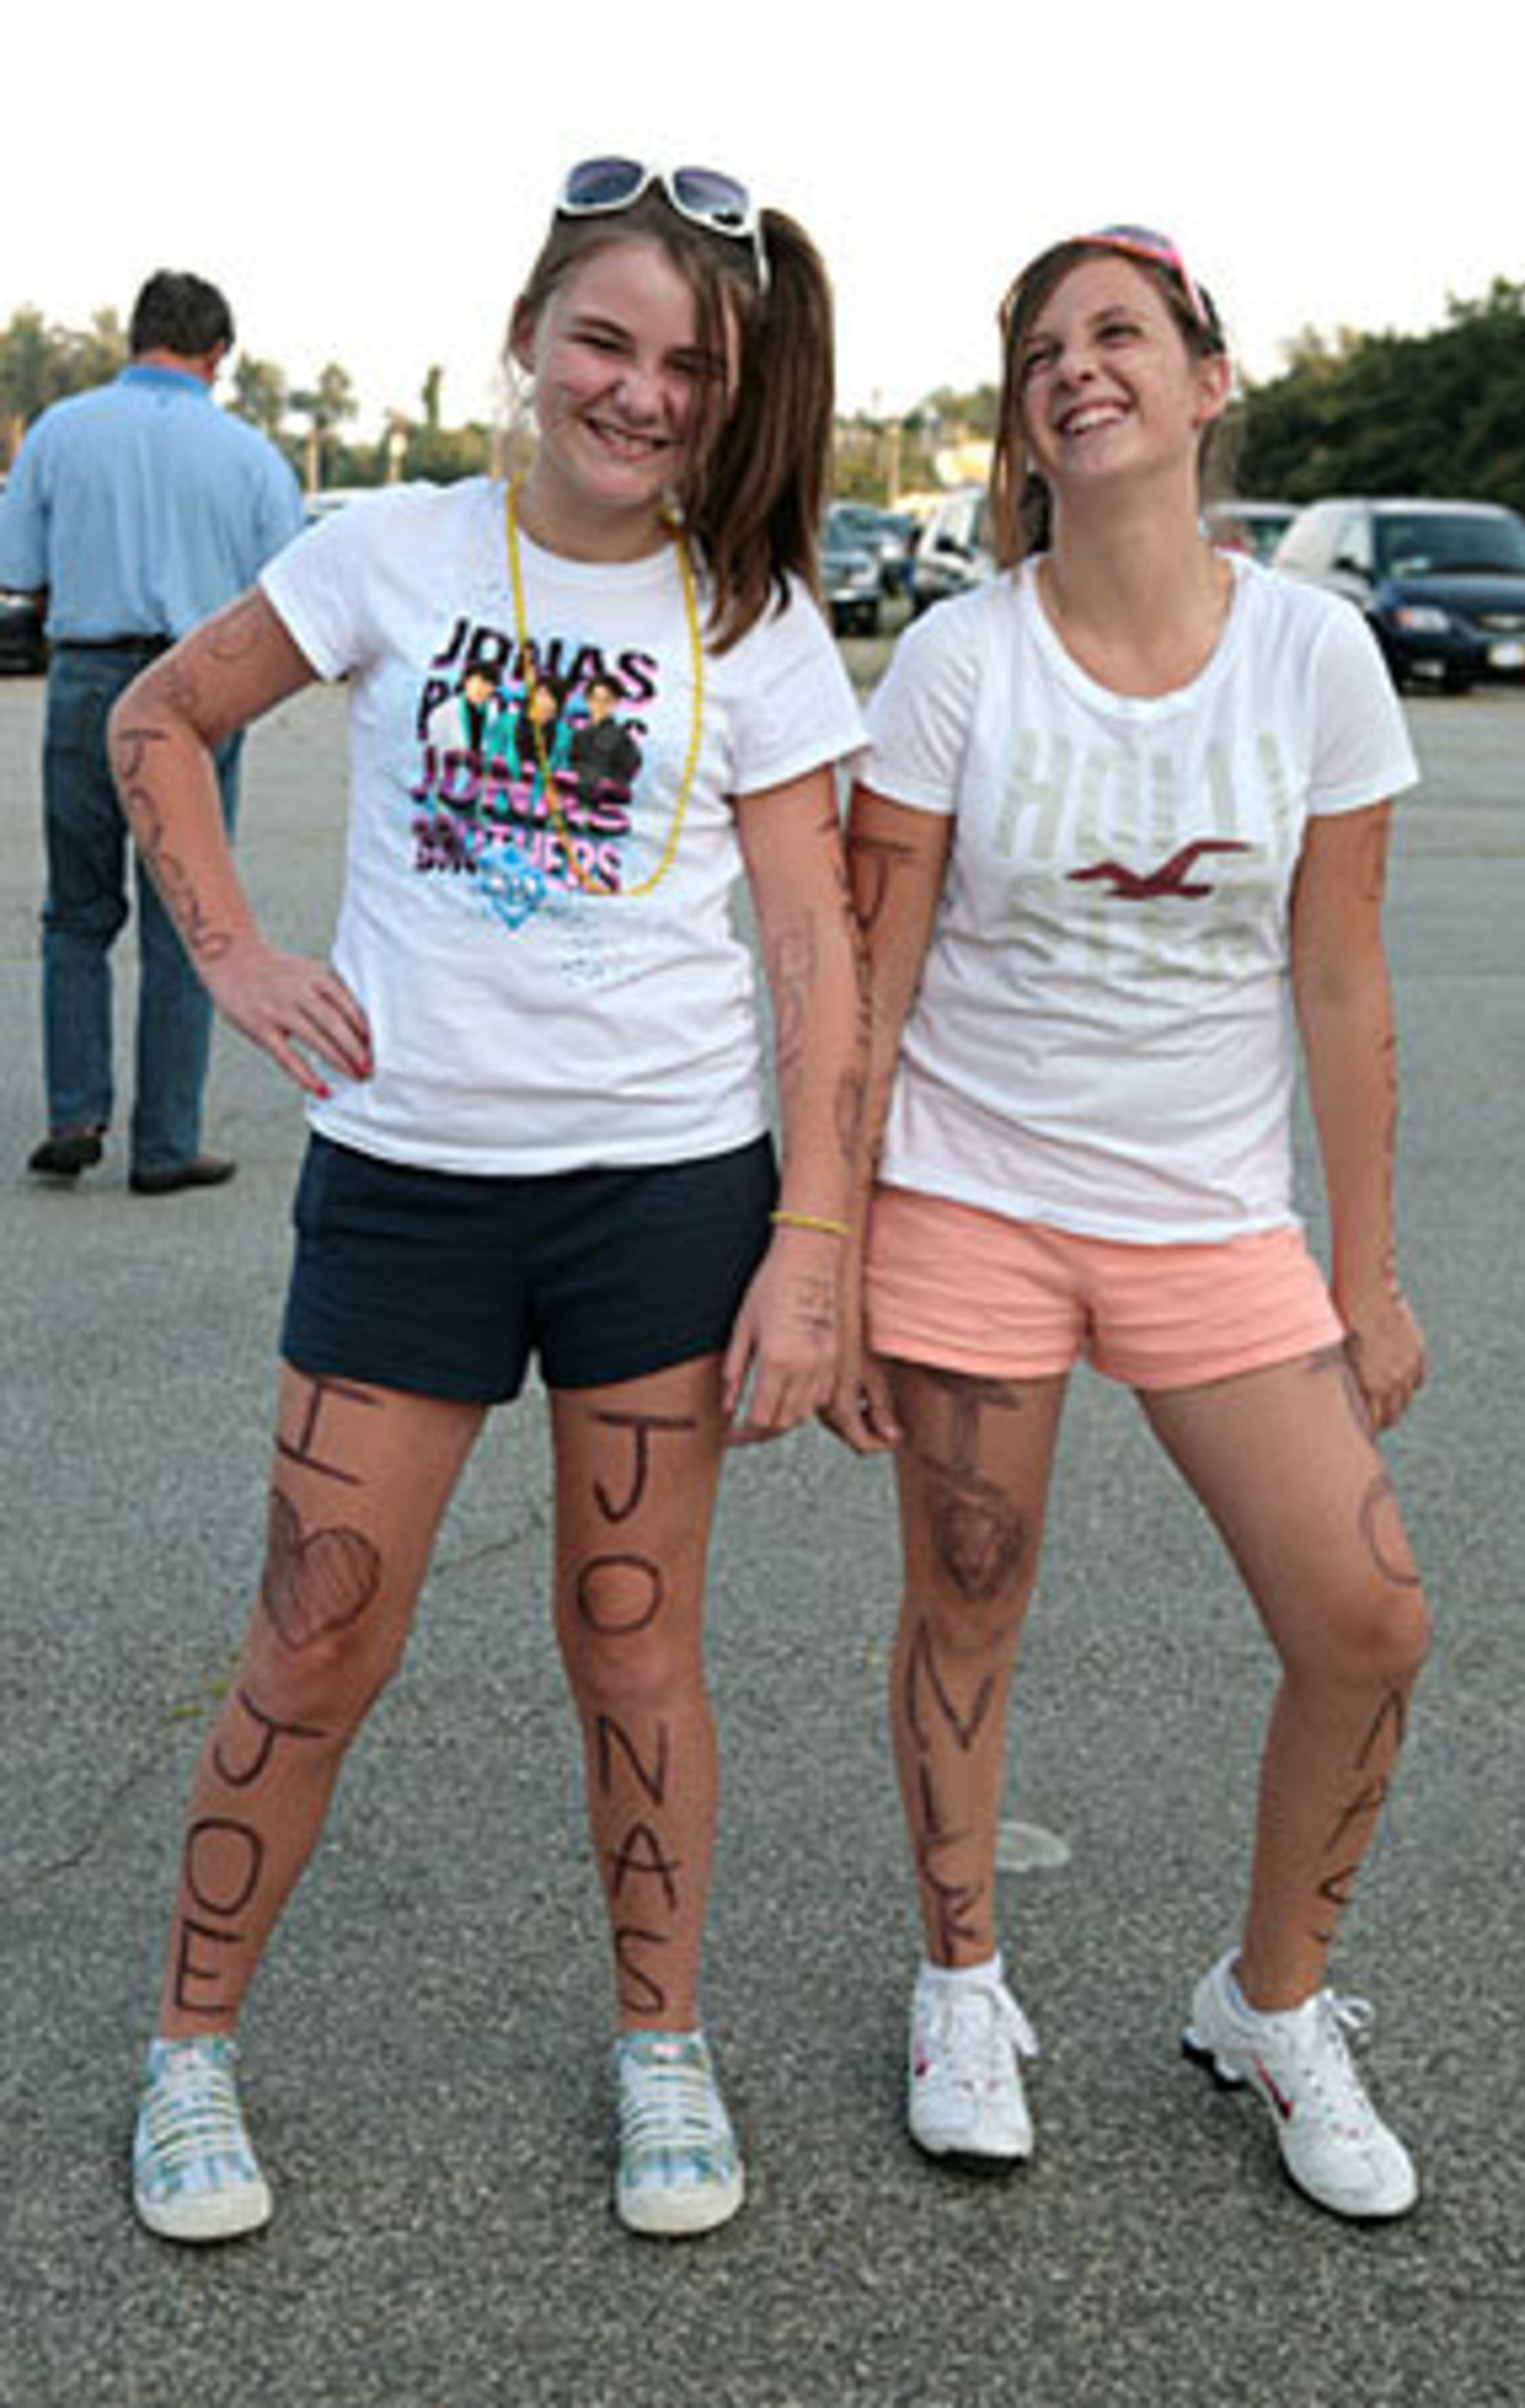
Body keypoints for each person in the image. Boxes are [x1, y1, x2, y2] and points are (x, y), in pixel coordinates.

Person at [109, 158, 865, 2245]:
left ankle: (659, 2040)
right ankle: (189, 2049)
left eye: (687, 366)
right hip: (411, 1189)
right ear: (530, 338)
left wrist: (815, 1245)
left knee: (634, 1649)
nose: (638, 394)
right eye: (605, 342)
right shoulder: (389, 550)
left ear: (728, 396)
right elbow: (158, 719)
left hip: (665, 1198)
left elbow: (816, 947)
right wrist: (239, 958)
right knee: (317, 1629)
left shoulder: (756, 615)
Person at [832, 225, 1431, 2221]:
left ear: (1201, 381)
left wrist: (1362, 1266)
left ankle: (1269, 2002)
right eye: (1041, 349)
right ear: (1023, 417)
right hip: (974, 1193)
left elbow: (1337, 974)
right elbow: (872, 978)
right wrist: (819, 1249)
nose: (1076, 369)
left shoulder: (1312, 653)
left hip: (1208, 1218)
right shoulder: (952, 660)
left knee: (1365, 1612)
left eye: (1118, 335)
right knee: (971, 1589)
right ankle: (961, 1978)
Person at [0, 270, 305, 1194]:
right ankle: (167, 1144)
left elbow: (18, 567)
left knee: (77, 915)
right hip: (204, 689)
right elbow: (286, 600)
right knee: (188, 918)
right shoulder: (252, 458)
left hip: (88, 677)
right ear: (219, 355)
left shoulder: (59, 432)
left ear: (134, 341)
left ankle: (75, 1113)